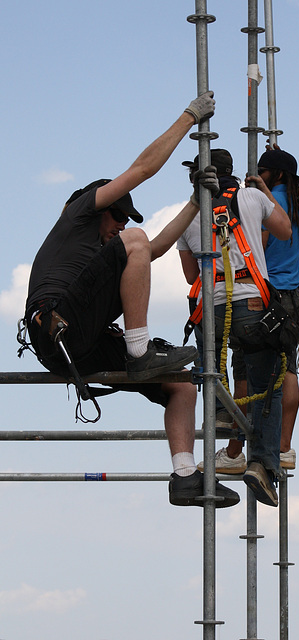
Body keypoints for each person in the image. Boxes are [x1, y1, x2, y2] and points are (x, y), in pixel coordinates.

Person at [24, 94, 240, 509]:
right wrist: (190, 118)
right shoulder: (77, 215)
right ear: (98, 208)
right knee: (135, 245)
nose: (120, 225)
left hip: (79, 344)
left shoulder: (106, 258)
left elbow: (152, 250)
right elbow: (142, 171)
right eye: (118, 216)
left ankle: (184, 477)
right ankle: (139, 350)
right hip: (55, 322)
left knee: (180, 382)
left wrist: (197, 202)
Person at [177, 148, 292, 507]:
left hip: (210, 307)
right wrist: (263, 192)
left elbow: (191, 276)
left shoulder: (188, 216)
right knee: (267, 385)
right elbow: (286, 231)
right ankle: (262, 464)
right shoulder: (252, 196)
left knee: (211, 371)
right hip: (252, 305)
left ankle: (223, 414)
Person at [201, 146, 299, 474]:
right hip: (293, 295)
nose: (256, 174)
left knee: (248, 372)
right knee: (285, 371)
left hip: (265, 294)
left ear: (274, 175)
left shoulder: (258, 198)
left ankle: (235, 451)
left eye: (262, 169)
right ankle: (284, 446)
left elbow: (255, 242)